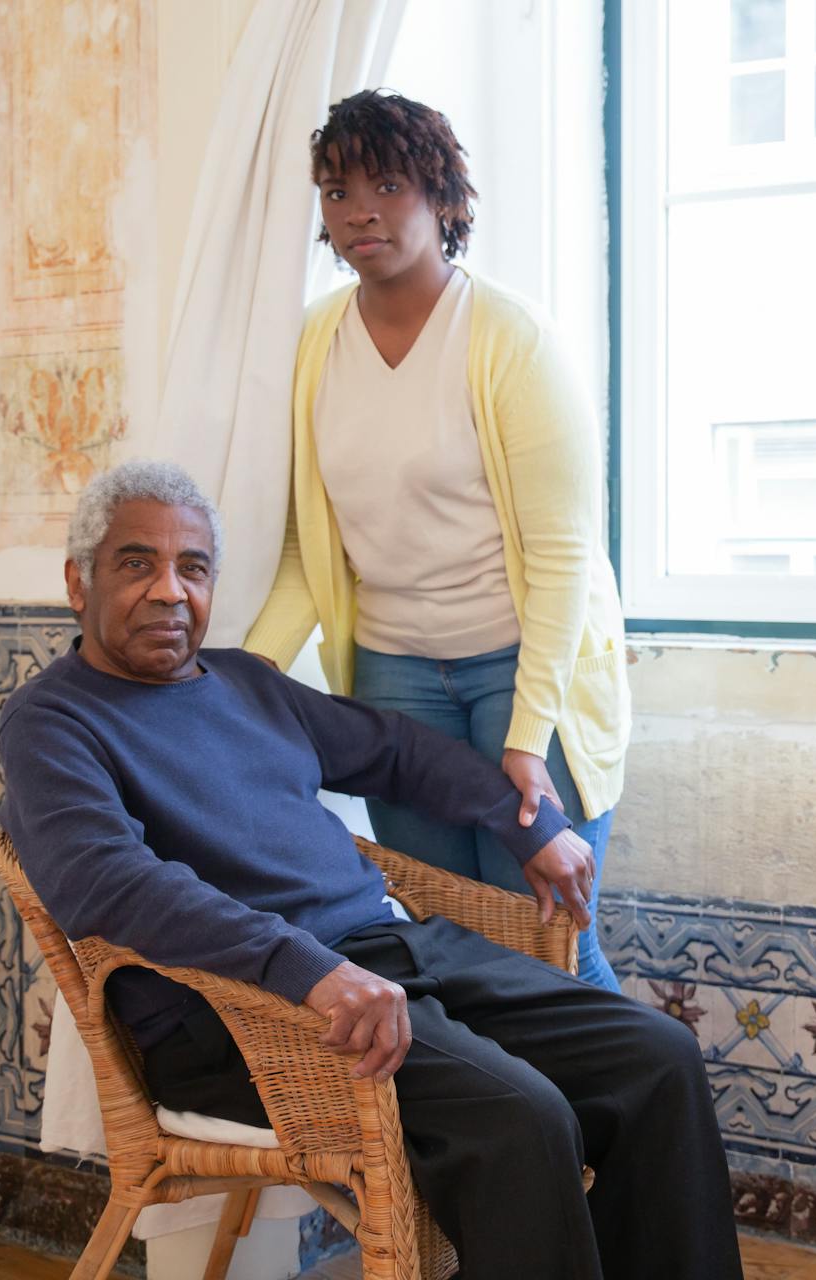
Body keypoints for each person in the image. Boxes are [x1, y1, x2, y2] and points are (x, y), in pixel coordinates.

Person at [0, 461, 741, 1280]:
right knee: (524, 1119)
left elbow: (391, 751)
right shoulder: (51, 723)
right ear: (80, 582)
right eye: (137, 564)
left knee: (657, 1058)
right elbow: (106, 883)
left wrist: (526, 822)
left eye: (194, 567)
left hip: (388, 956)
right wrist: (306, 968)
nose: (171, 591)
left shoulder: (246, 682)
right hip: (247, 1013)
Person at [242, 89, 629, 991]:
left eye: (387, 184)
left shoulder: (510, 339)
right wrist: (235, 684)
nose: (359, 212)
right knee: (456, 947)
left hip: (523, 674)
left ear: (443, 195)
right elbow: (312, 550)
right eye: (336, 193)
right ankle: (528, 1138)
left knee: (550, 947)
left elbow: (567, 557)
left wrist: (529, 736)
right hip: (395, 682)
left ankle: (617, 1133)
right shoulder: (311, 344)